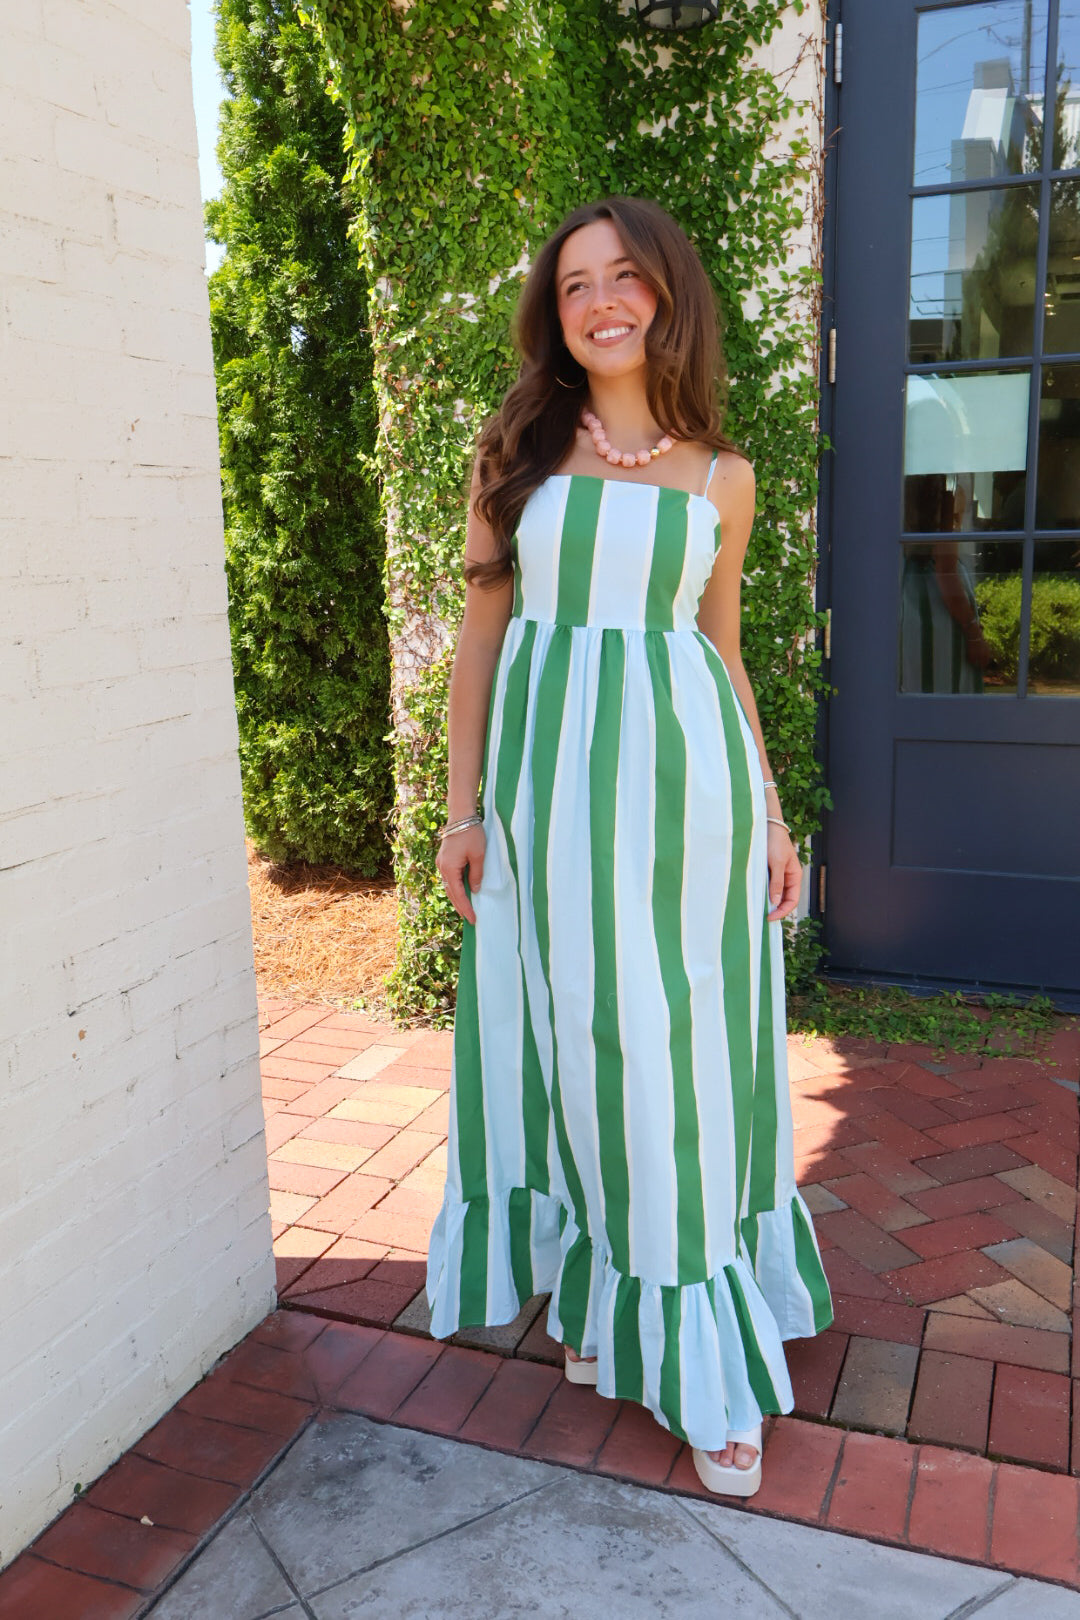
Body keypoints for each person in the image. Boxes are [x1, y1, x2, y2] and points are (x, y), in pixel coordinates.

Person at [426, 195, 833, 1498]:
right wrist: (460, 807)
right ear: (555, 314)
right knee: (584, 1048)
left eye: (625, 279)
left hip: (689, 805)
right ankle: (613, 1291)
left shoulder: (723, 474)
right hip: (551, 805)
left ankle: (705, 1356)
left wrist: (770, 816)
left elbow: (718, 649)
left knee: (683, 1058)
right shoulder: (520, 449)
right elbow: (482, 641)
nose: (599, 302)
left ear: (667, 295)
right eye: (574, 285)